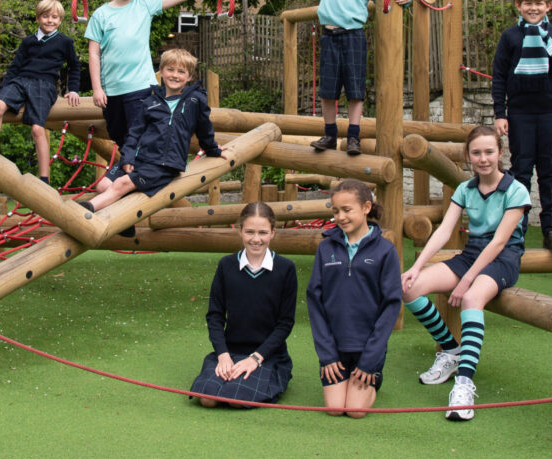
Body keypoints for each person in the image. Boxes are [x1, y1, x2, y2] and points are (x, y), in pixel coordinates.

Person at [401, 125, 531, 422]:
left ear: (500, 153)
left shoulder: (516, 190)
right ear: (468, 156)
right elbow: (445, 230)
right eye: (476, 153)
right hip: (472, 254)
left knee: (472, 298)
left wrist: (466, 281)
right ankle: (451, 350)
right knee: (408, 287)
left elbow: (499, 242)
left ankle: (463, 384)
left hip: (503, 259)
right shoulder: (465, 189)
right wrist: (416, 266)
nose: (483, 158)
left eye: (489, 152)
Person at [275, 0, 410, 155]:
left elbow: (388, 1)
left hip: (354, 36)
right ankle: (329, 134)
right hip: (329, 36)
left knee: (355, 89)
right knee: (328, 89)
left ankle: (354, 137)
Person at [84, 0, 222, 151]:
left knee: (140, 140)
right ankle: (132, 176)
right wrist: (97, 89)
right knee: (120, 138)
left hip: (139, 88)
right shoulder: (100, 14)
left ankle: (145, 177)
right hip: (112, 92)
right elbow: (94, 54)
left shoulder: (144, 4)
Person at [78, 48, 224, 217]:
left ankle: (85, 211)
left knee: (121, 184)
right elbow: (134, 134)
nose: (175, 75)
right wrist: (128, 157)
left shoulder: (195, 101)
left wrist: (214, 150)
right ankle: (127, 222)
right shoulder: (151, 102)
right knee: (102, 186)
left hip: (163, 164)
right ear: (161, 72)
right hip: (141, 157)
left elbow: (204, 129)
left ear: (189, 76)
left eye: (181, 71)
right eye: (170, 70)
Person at [492, 0, 552, 254]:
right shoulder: (510, 37)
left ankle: (551, 230)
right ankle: (517, 230)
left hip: (551, 112)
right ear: (518, 5)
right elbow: (500, 77)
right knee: (521, 172)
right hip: (520, 114)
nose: (533, 8)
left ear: (549, 6)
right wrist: (500, 113)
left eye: (539, 3)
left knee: (550, 171)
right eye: (527, 3)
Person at [306, 179, 401, 418]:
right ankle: (345, 381)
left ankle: (372, 379)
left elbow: (390, 306)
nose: (340, 216)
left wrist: (370, 360)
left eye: (347, 210)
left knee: (356, 412)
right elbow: (315, 302)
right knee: (336, 409)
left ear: (366, 207)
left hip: (367, 350)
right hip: (335, 352)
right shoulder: (325, 249)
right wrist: (327, 356)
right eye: (335, 211)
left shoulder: (385, 251)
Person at [190, 201, 298, 407]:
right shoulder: (226, 265)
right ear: (239, 231)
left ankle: (271, 377)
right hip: (230, 351)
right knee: (207, 399)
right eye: (249, 232)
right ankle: (224, 367)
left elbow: (285, 324)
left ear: (273, 232)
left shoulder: (286, 269)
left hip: (266, 355)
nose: (256, 239)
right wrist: (222, 355)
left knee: (235, 399)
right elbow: (215, 316)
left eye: (263, 233)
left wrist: (255, 358)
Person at [0, 0, 81, 186]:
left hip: (44, 85)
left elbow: (74, 66)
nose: (50, 21)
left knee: (37, 128)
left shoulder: (64, 42)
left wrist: (72, 89)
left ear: (60, 20)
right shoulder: (28, 42)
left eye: (54, 17)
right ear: (38, 18)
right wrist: (2, 92)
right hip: (21, 81)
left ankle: (44, 178)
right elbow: (15, 68)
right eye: (45, 16)